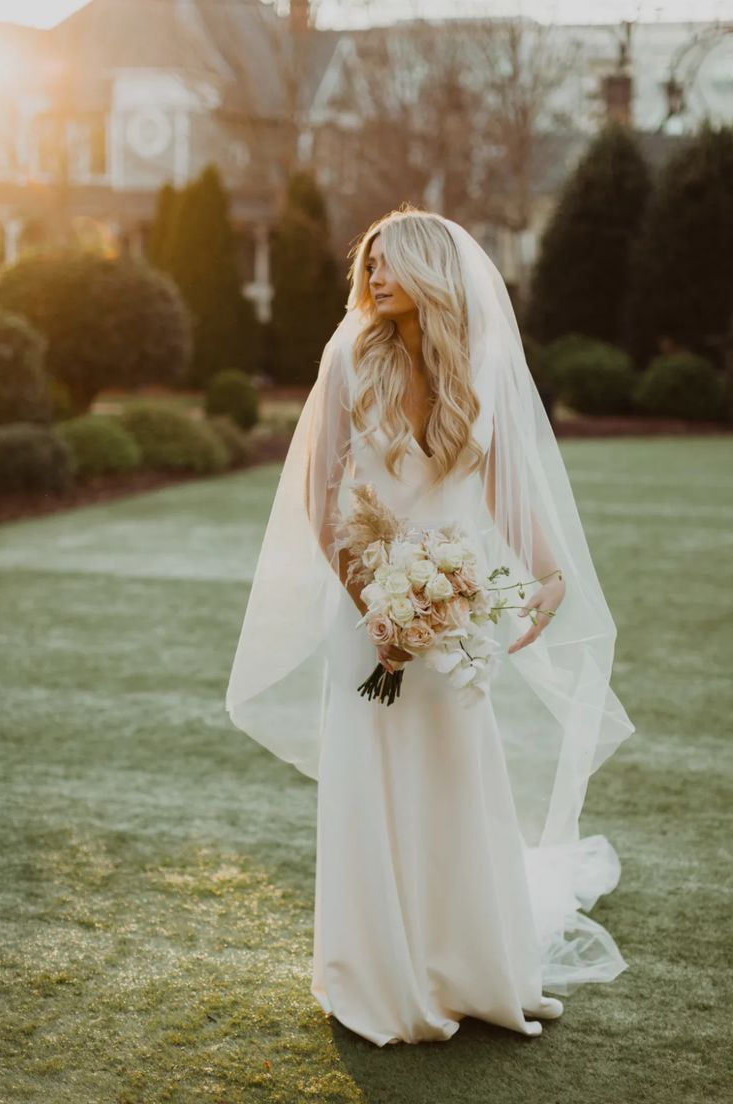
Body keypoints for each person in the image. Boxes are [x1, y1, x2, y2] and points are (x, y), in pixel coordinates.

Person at [226, 206, 635, 1046]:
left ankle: (470, 966)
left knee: (456, 780)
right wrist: (371, 601)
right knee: (371, 781)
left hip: (456, 614)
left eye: (389, 261)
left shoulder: (480, 361)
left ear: (431, 269)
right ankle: (376, 977)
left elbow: (506, 491)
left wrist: (547, 577)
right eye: (368, 264)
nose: (373, 276)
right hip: (366, 609)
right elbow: (317, 495)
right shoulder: (349, 357)